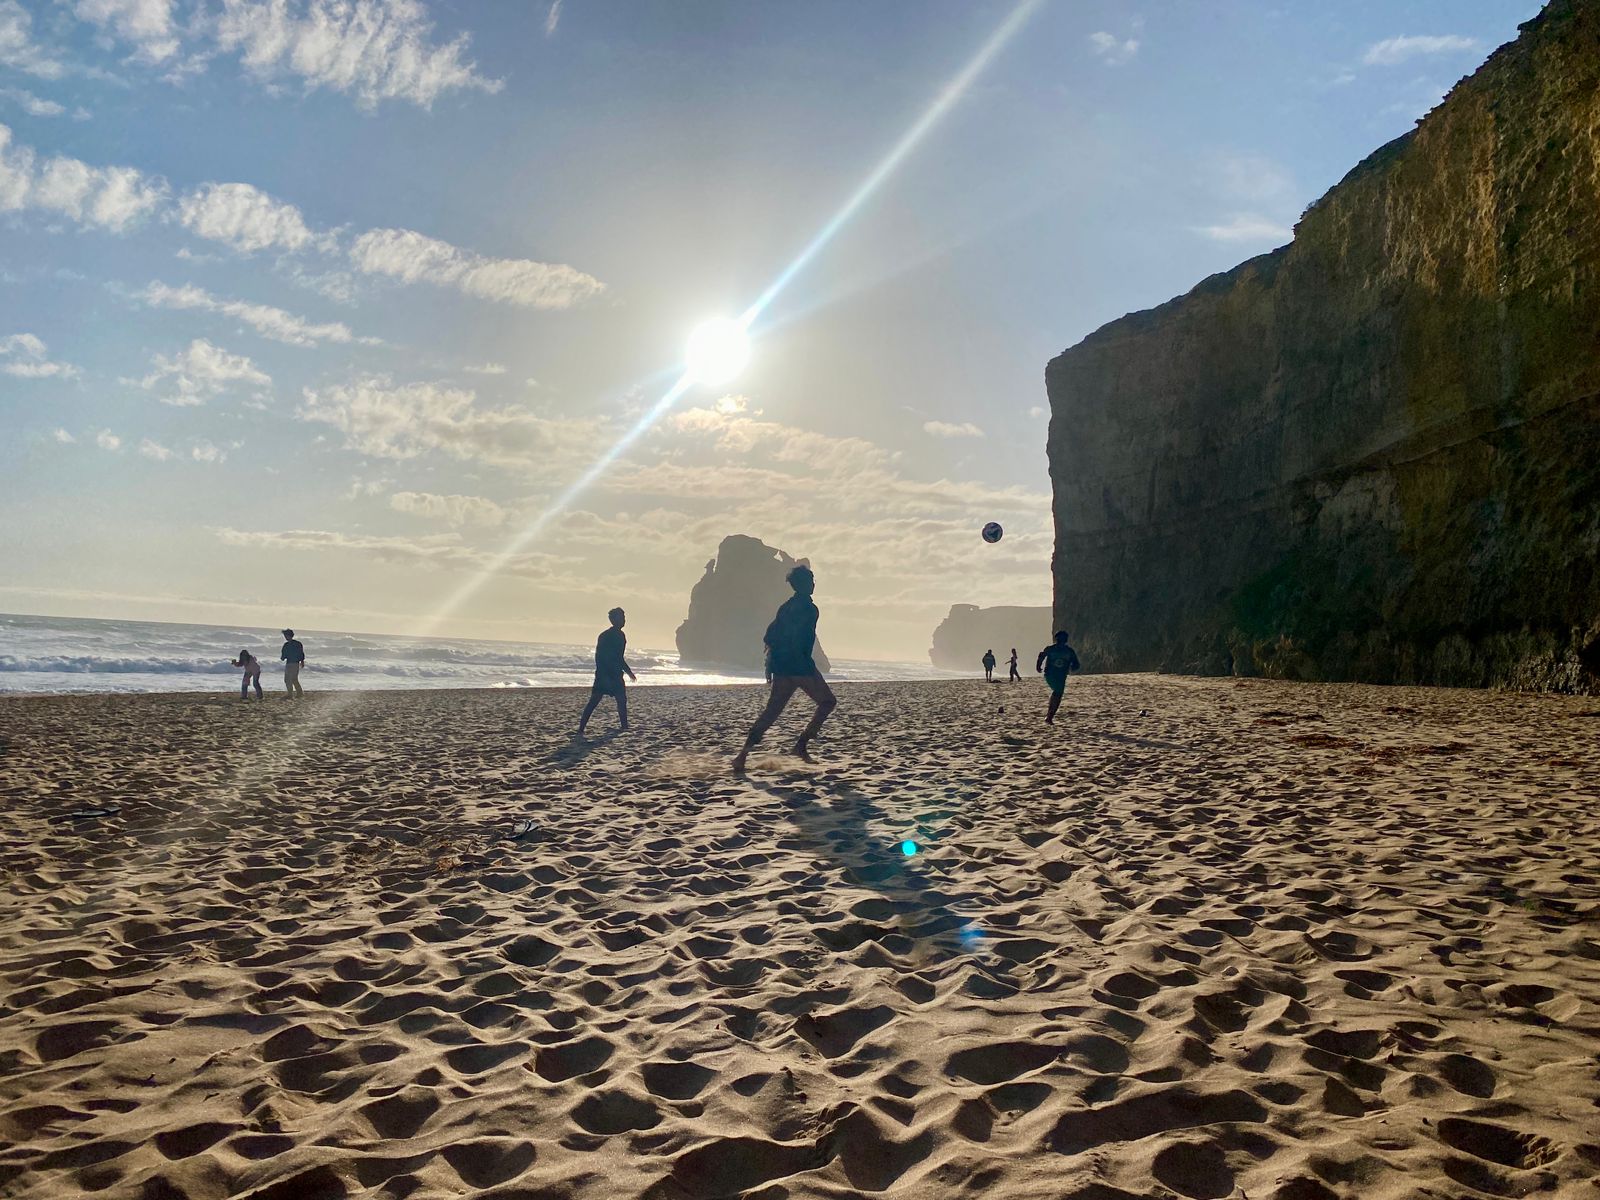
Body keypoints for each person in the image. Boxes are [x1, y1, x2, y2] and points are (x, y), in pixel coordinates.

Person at [732, 563, 836, 772]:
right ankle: (801, 745)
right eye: (811, 580)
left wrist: (771, 663)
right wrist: (802, 662)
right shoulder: (809, 608)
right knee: (828, 702)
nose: (814, 584)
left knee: (771, 711)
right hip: (800, 666)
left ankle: (742, 755)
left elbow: (770, 635)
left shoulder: (785, 607)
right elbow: (801, 637)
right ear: (805, 584)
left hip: (782, 666)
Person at [578, 607, 636, 735]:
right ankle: (582, 728)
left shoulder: (615, 635)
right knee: (597, 701)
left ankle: (624, 727)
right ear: (613, 619)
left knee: (619, 700)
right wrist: (628, 672)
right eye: (621, 617)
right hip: (608, 674)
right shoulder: (610, 636)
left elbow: (611, 657)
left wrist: (625, 671)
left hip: (609, 673)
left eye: (624, 617)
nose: (624, 620)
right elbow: (612, 657)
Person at [1035, 630, 1081, 724]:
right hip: (1050, 675)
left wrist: (1073, 666)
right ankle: (1049, 716)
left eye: (1063, 639)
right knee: (1057, 693)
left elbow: (1076, 663)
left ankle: (1050, 716)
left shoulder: (1069, 651)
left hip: (1061, 676)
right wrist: (1038, 665)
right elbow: (1041, 656)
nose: (1061, 641)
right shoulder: (1051, 649)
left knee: (1058, 695)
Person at [280, 629, 306, 698]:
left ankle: (290, 694)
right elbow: (301, 654)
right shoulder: (298, 644)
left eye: (285, 635)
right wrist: (302, 661)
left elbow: (283, 656)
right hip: (296, 663)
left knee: (287, 679)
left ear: (288, 636)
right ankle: (299, 692)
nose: (285, 637)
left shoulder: (286, 645)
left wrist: (282, 658)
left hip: (290, 663)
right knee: (294, 679)